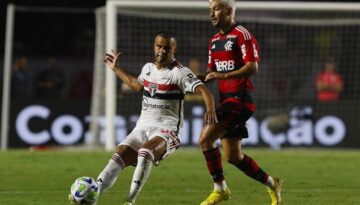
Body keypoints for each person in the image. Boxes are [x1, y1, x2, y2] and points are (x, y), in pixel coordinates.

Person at [71, 31, 217, 205]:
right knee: (118, 156)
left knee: (145, 152)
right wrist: (116, 68)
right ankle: (92, 199)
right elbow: (136, 85)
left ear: (174, 49)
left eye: (167, 48)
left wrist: (210, 109)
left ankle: (130, 201)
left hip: (167, 131)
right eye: (159, 46)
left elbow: (203, 91)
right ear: (154, 47)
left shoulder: (180, 73)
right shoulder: (147, 68)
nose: (162, 51)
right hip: (142, 128)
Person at [197, 1, 283, 205]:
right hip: (226, 100)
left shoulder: (242, 34)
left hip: (240, 100)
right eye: (210, 10)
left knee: (205, 140)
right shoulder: (214, 40)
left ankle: (220, 189)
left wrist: (224, 75)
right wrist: (192, 78)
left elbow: (252, 67)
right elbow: (211, 73)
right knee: (234, 157)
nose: (212, 13)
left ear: (228, 10)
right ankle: (273, 183)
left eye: (216, 9)